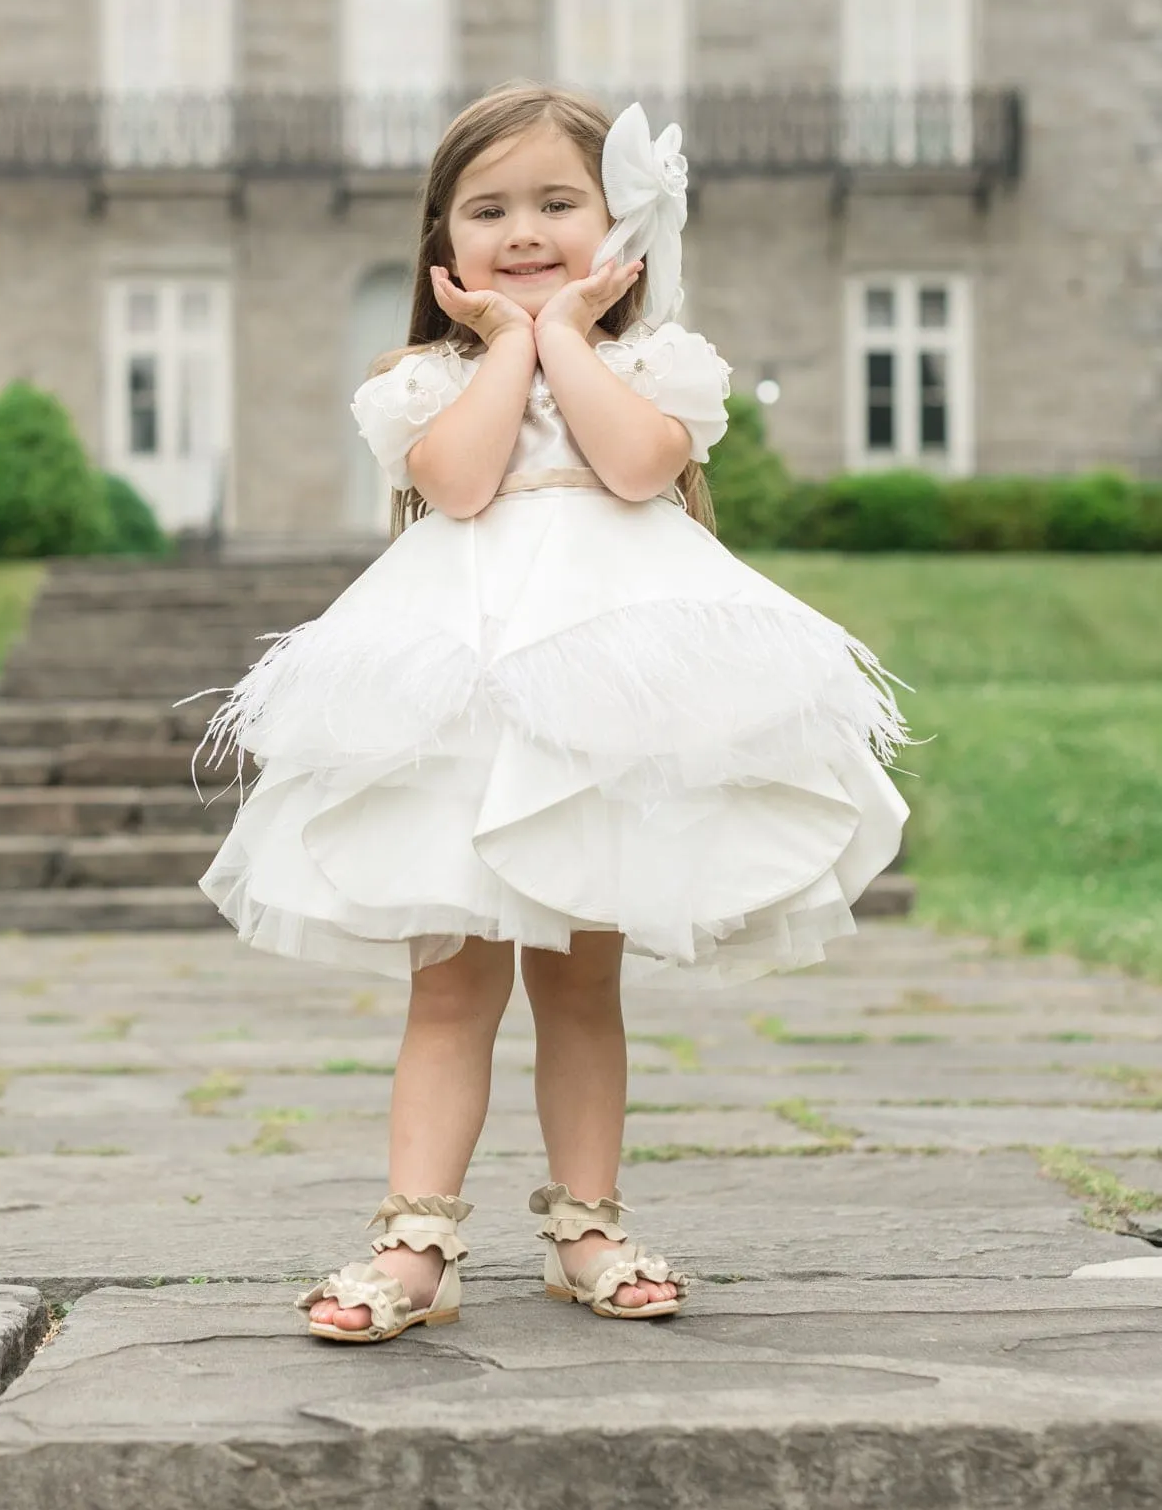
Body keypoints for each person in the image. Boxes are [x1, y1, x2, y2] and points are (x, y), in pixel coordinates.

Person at [195, 81, 911, 1343]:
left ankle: (587, 1222)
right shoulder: (423, 381)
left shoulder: (661, 365)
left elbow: (638, 467)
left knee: (583, 984)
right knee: (451, 986)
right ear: (444, 245)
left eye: (556, 203)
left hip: (603, 707)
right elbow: (463, 486)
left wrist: (570, 333)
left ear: (616, 226)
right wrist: (512, 345)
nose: (523, 231)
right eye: (488, 209)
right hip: (463, 693)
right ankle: (417, 1239)